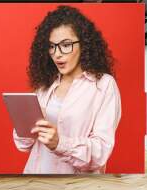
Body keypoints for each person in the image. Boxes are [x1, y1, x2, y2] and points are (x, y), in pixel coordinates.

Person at [13, 5, 121, 174]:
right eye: (52, 46)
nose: (57, 54)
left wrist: (59, 143)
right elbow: (23, 145)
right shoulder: (44, 86)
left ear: (83, 44)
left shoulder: (103, 85)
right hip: (35, 181)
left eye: (66, 44)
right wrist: (26, 123)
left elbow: (101, 152)